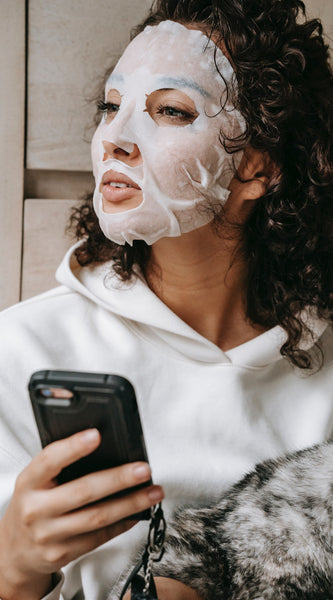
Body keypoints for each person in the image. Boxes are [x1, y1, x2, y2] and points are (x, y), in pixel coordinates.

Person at [0, 0, 332, 599]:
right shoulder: (20, 350)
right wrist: (15, 570)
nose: (114, 140)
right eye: (111, 105)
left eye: (171, 110)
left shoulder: (326, 359)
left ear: (256, 167)